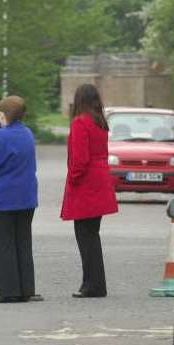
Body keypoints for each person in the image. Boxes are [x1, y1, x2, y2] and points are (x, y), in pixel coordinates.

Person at [0, 96, 40, 303]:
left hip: (2, 198)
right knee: (23, 242)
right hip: (26, 197)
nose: (0, 119)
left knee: (3, 244)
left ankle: (8, 290)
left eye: (1, 115)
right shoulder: (28, 134)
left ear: (7, 116)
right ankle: (26, 288)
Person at [61, 84, 118, 298]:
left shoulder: (80, 123)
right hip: (100, 179)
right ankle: (95, 283)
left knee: (84, 236)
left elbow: (80, 159)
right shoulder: (99, 122)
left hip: (85, 183)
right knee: (92, 234)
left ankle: (91, 284)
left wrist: (73, 178)